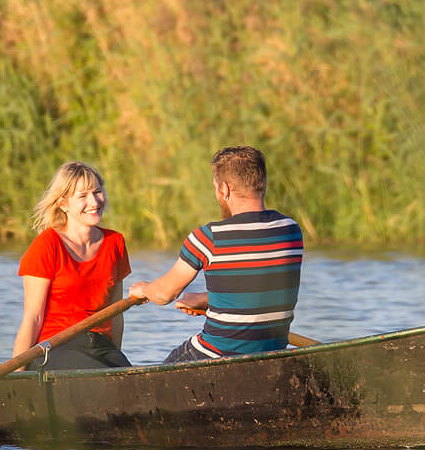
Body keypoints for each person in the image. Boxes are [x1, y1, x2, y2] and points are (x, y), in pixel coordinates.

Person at [128, 145, 303, 363]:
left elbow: (165, 294)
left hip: (217, 355)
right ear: (263, 183)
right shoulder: (291, 230)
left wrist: (143, 289)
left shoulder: (209, 237)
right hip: (272, 351)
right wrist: (204, 300)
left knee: (160, 374)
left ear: (225, 190)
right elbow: (257, 289)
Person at [13, 161, 132, 370]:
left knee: (132, 380)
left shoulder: (115, 242)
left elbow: (116, 314)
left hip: (101, 346)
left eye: (97, 192)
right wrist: (17, 374)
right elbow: (33, 317)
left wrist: (118, 362)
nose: (94, 201)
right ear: (63, 204)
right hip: (56, 347)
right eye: (83, 196)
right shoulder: (47, 244)